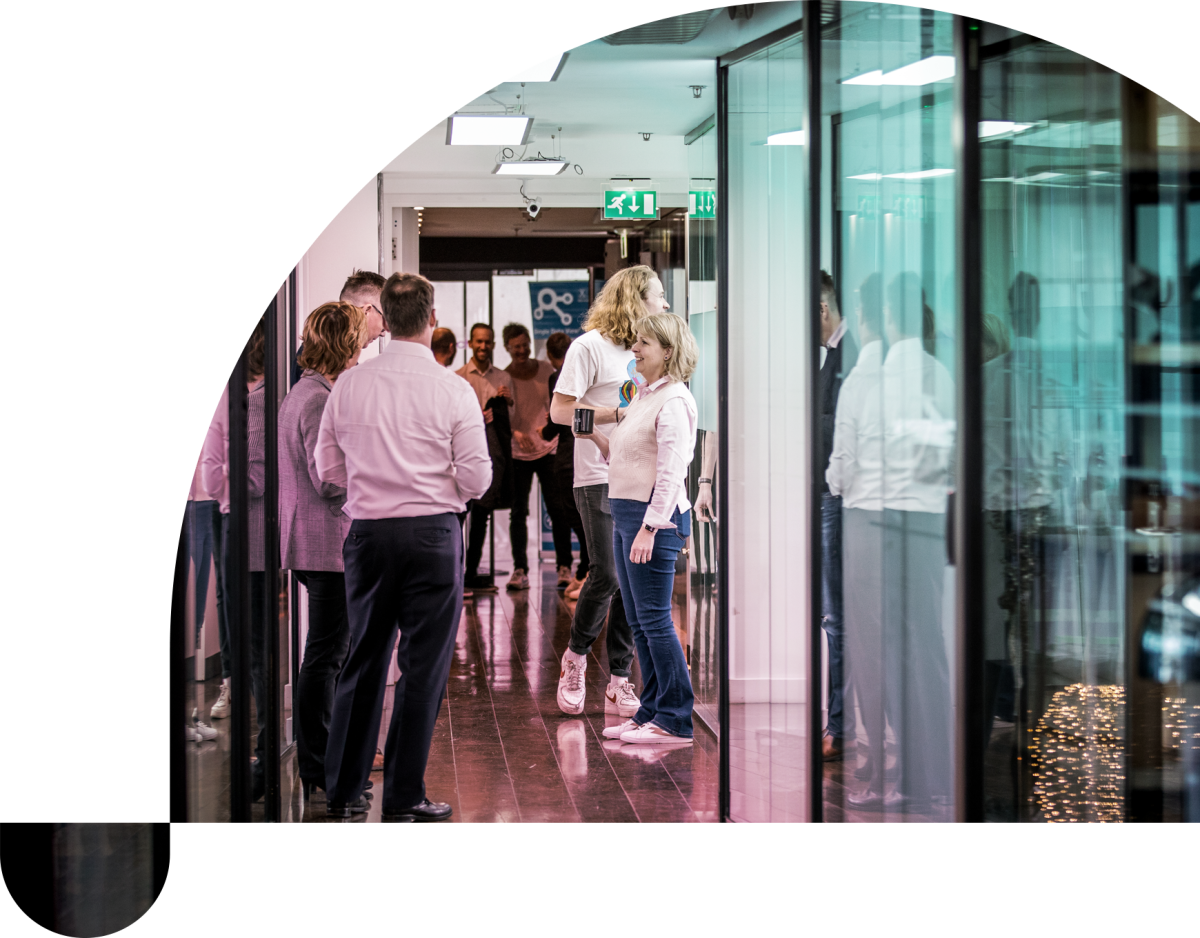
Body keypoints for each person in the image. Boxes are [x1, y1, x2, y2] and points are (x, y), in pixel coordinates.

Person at [316, 272, 491, 821]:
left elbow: (327, 468)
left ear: (384, 322)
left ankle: (342, 791)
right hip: (434, 536)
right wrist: (440, 489)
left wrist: (373, 482)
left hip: (368, 535)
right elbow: (478, 479)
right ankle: (403, 795)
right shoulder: (453, 389)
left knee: (362, 659)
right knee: (423, 668)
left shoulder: (349, 385)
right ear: (433, 319)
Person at [829, 272, 954, 809]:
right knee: (926, 644)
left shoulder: (866, 374)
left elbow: (843, 461)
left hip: (869, 520)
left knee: (874, 647)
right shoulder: (939, 372)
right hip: (925, 519)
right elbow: (945, 450)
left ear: (882, 314)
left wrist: (838, 484)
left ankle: (881, 772)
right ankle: (933, 775)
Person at [576, 311, 700, 745]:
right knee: (639, 620)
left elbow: (670, 473)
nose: (635, 348)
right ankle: (650, 711)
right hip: (627, 514)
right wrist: (591, 436)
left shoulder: (675, 401)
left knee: (654, 620)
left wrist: (651, 526)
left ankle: (676, 720)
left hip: (654, 520)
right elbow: (627, 460)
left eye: (644, 343)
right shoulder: (647, 396)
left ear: (668, 351)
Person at [548, 265, 666, 719]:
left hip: (640, 477)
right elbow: (561, 411)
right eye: (658, 295)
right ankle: (575, 658)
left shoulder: (650, 350)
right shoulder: (589, 346)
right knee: (607, 574)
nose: (665, 303)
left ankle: (620, 680)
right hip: (597, 475)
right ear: (635, 299)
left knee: (632, 580)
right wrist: (612, 419)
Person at [278, 302, 367, 799]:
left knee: (329, 652)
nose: (361, 350)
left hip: (318, 540)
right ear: (344, 344)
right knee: (327, 656)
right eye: (357, 339)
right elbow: (329, 480)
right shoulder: (316, 399)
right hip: (325, 541)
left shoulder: (309, 391)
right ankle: (321, 767)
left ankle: (325, 763)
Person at [816, 269, 858, 762]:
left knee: (837, 619)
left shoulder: (850, 360)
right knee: (834, 618)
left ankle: (841, 726)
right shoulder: (836, 360)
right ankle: (839, 723)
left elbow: (836, 432)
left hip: (838, 501)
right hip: (831, 498)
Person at [501, 322, 574, 591]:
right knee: (518, 512)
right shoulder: (504, 376)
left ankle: (564, 566)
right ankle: (520, 569)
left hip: (549, 448)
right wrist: (515, 432)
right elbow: (502, 417)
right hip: (519, 453)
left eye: (524, 345)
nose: (521, 350)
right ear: (508, 348)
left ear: (530, 343)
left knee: (558, 509)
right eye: (516, 346)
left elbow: (557, 407)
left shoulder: (546, 370)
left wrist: (548, 430)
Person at [457, 323, 514, 591]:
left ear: (493, 345)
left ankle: (470, 577)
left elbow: (511, 423)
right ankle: (455, 577)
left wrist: (506, 404)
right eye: (478, 341)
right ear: (470, 343)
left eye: (487, 342)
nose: (482, 346)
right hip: (461, 458)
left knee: (481, 518)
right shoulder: (457, 378)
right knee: (458, 519)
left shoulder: (504, 378)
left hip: (491, 457)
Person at [542, 332, 589, 596]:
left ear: (550, 355)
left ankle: (587, 570)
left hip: (570, 453)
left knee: (577, 515)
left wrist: (543, 433)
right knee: (583, 516)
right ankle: (586, 569)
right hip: (585, 449)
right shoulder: (583, 373)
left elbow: (558, 417)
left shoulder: (557, 376)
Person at [292, 271, 387, 386]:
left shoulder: (321, 350)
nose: (384, 332)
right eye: (385, 317)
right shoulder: (322, 359)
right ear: (366, 311)